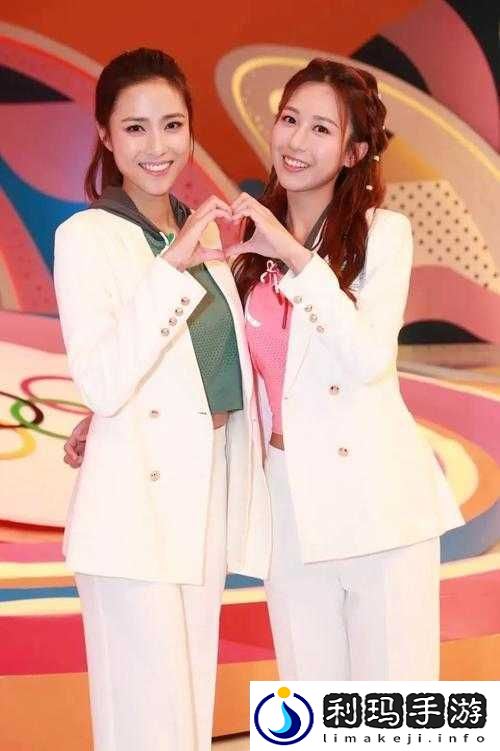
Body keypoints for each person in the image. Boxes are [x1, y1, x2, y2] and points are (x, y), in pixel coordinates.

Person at [65, 58, 464, 684]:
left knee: (392, 706)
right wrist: (111, 414)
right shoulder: (244, 248)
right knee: (313, 703)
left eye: (322, 129)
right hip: (287, 504)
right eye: (289, 119)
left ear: (355, 152)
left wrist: (299, 259)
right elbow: (229, 364)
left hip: (378, 505)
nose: (297, 141)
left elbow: (367, 359)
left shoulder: (383, 235)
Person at [54, 48, 270, 751]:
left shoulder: (198, 231)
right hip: (132, 513)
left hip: (202, 495)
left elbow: (206, 371)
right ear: (106, 135)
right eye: (136, 127)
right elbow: (103, 379)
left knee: (188, 710)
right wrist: (172, 266)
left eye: (172, 125)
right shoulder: (86, 237)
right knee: (145, 720)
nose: (158, 145)